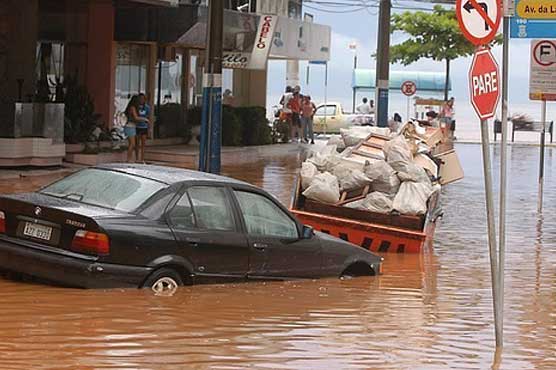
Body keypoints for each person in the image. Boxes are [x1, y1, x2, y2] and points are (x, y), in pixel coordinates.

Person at [124, 95, 148, 163]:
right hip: (130, 127)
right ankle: (129, 159)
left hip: (131, 126)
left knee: (132, 144)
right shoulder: (133, 108)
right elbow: (136, 117)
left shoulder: (131, 107)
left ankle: (129, 158)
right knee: (132, 144)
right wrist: (144, 119)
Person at [136, 93, 151, 162]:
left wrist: (149, 128)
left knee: (143, 143)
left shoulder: (147, 107)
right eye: (140, 98)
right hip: (137, 126)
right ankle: (137, 158)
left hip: (144, 127)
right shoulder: (136, 107)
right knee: (137, 143)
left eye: (143, 99)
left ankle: (142, 158)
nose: (141, 100)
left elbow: (148, 117)